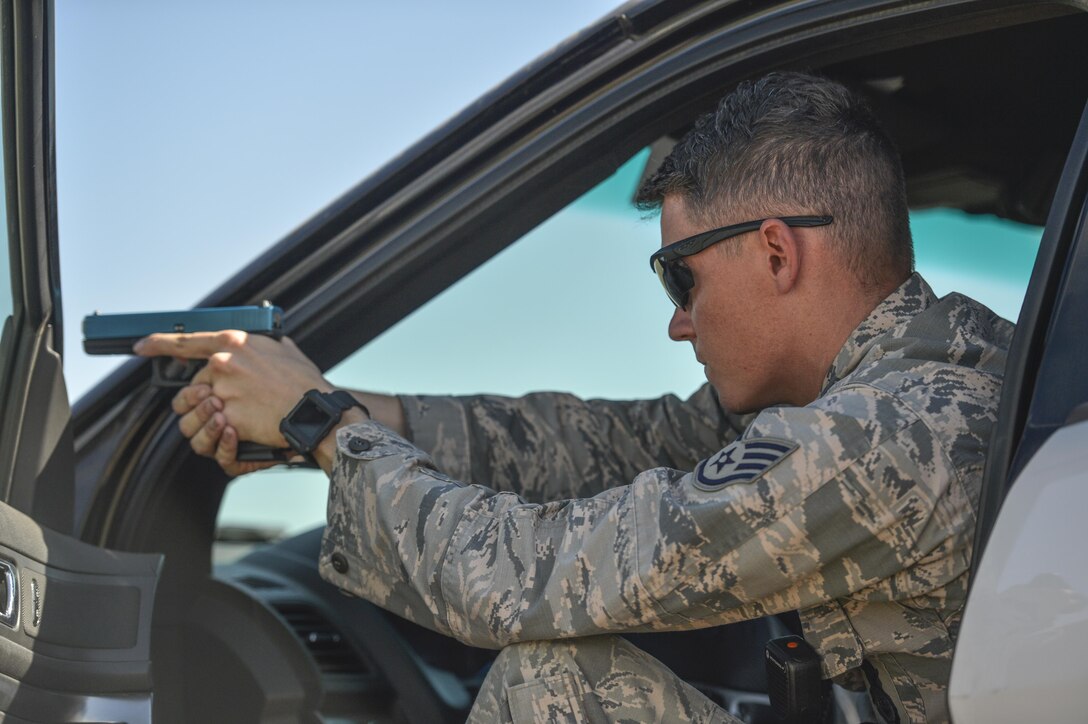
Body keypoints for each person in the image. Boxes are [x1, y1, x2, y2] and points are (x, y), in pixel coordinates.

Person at [135, 72, 1013, 723]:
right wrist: (339, 406)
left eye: (682, 278)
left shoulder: (879, 436)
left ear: (777, 254)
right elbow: (603, 445)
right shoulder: (925, 379)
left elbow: (525, 576)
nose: (678, 324)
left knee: (555, 688)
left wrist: (325, 429)